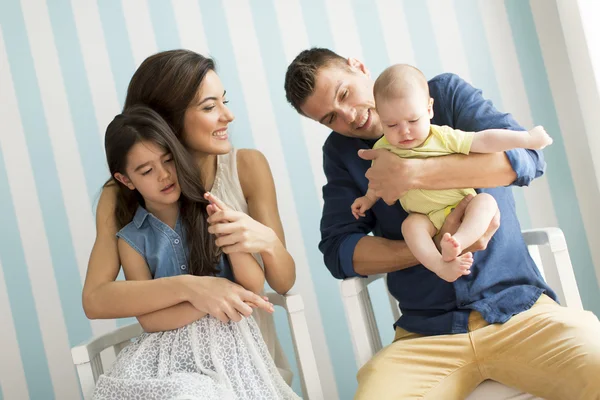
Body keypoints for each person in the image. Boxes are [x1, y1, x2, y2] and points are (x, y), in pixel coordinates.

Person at [284, 48, 600, 399]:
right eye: (331, 118)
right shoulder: (342, 153)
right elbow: (340, 252)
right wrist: (432, 250)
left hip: (519, 312)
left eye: (344, 94)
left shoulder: (444, 95)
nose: (350, 117)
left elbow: (524, 159)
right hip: (426, 335)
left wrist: (413, 174)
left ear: (358, 67)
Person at [83, 50, 295, 384]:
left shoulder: (247, 166)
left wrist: (266, 241)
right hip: (175, 367)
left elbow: (282, 282)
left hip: (247, 364)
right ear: (168, 120)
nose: (228, 116)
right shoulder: (120, 196)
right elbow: (96, 299)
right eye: (210, 107)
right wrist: (193, 288)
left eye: (223, 101)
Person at [351, 64, 553, 283]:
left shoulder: (442, 136)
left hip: (462, 203)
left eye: (413, 120)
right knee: (410, 227)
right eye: (392, 124)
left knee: (486, 202)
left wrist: (526, 139)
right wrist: (368, 199)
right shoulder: (383, 148)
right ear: (381, 118)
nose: (404, 131)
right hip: (425, 217)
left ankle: (456, 241)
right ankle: (440, 266)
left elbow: (484, 140)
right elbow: (377, 180)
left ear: (429, 109)